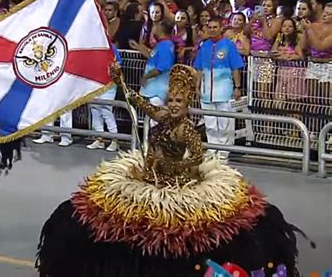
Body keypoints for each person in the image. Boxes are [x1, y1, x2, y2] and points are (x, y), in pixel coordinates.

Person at [36, 64, 304, 277]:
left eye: (179, 100)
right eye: (171, 99)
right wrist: (119, 79)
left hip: (176, 182)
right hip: (149, 177)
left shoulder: (186, 131)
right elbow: (135, 101)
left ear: (188, 102)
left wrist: (177, 168)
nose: (173, 104)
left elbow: (197, 158)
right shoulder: (162, 116)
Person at [194, 17, 243, 160]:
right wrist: (197, 86)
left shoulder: (228, 45)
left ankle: (224, 150)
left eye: (215, 27)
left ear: (220, 28)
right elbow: (199, 68)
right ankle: (212, 147)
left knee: (224, 121)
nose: (212, 30)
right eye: (210, 27)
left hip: (224, 90)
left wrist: (237, 87)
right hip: (206, 90)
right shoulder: (204, 46)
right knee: (209, 121)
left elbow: (235, 68)